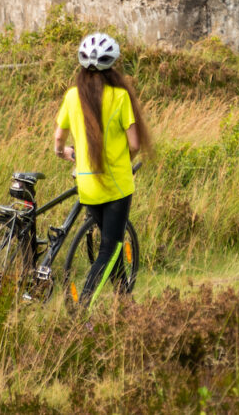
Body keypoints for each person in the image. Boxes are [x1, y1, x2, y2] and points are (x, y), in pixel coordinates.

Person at [52, 32, 150, 308]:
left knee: (112, 245)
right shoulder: (120, 97)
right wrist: (123, 160)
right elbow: (135, 144)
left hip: (87, 185)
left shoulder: (72, 96)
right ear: (113, 67)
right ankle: (83, 306)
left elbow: (59, 139)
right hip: (117, 185)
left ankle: (125, 303)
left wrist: (64, 153)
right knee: (109, 249)